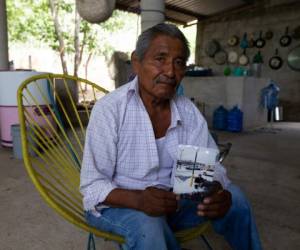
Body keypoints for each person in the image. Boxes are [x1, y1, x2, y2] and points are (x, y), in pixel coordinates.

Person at [80, 23, 262, 250]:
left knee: (236, 200)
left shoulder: (187, 111)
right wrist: (139, 200)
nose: (170, 72)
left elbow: (201, 174)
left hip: (173, 201)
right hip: (118, 205)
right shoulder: (110, 109)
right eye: (160, 59)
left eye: (179, 62)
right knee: (149, 226)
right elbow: (93, 187)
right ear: (137, 63)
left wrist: (215, 189)